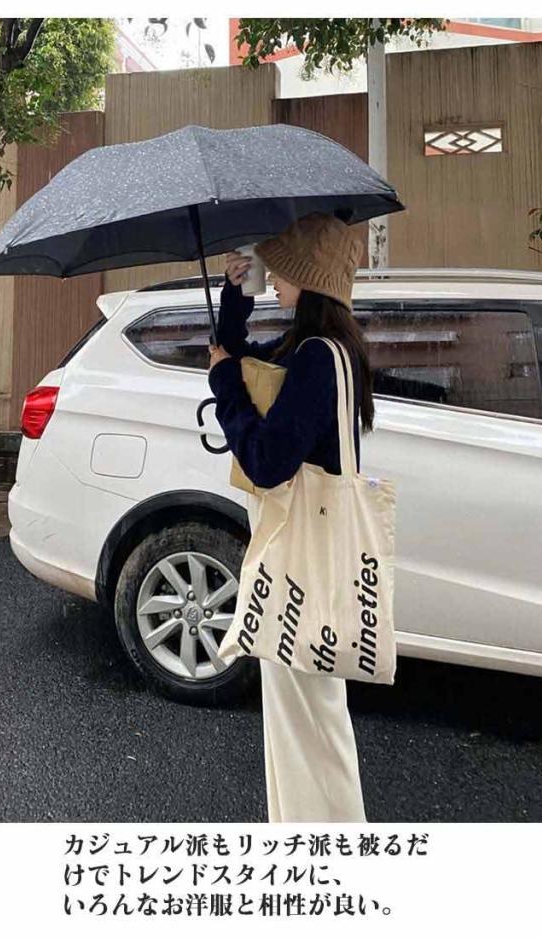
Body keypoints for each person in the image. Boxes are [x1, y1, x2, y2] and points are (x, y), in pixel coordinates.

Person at [207, 212, 375, 823]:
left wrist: (225, 388)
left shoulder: (314, 359)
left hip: (299, 563)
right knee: (309, 718)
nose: (273, 279)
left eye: (281, 270)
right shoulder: (331, 351)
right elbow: (238, 358)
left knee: (308, 722)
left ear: (308, 279)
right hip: (316, 554)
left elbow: (267, 460)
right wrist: (234, 297)